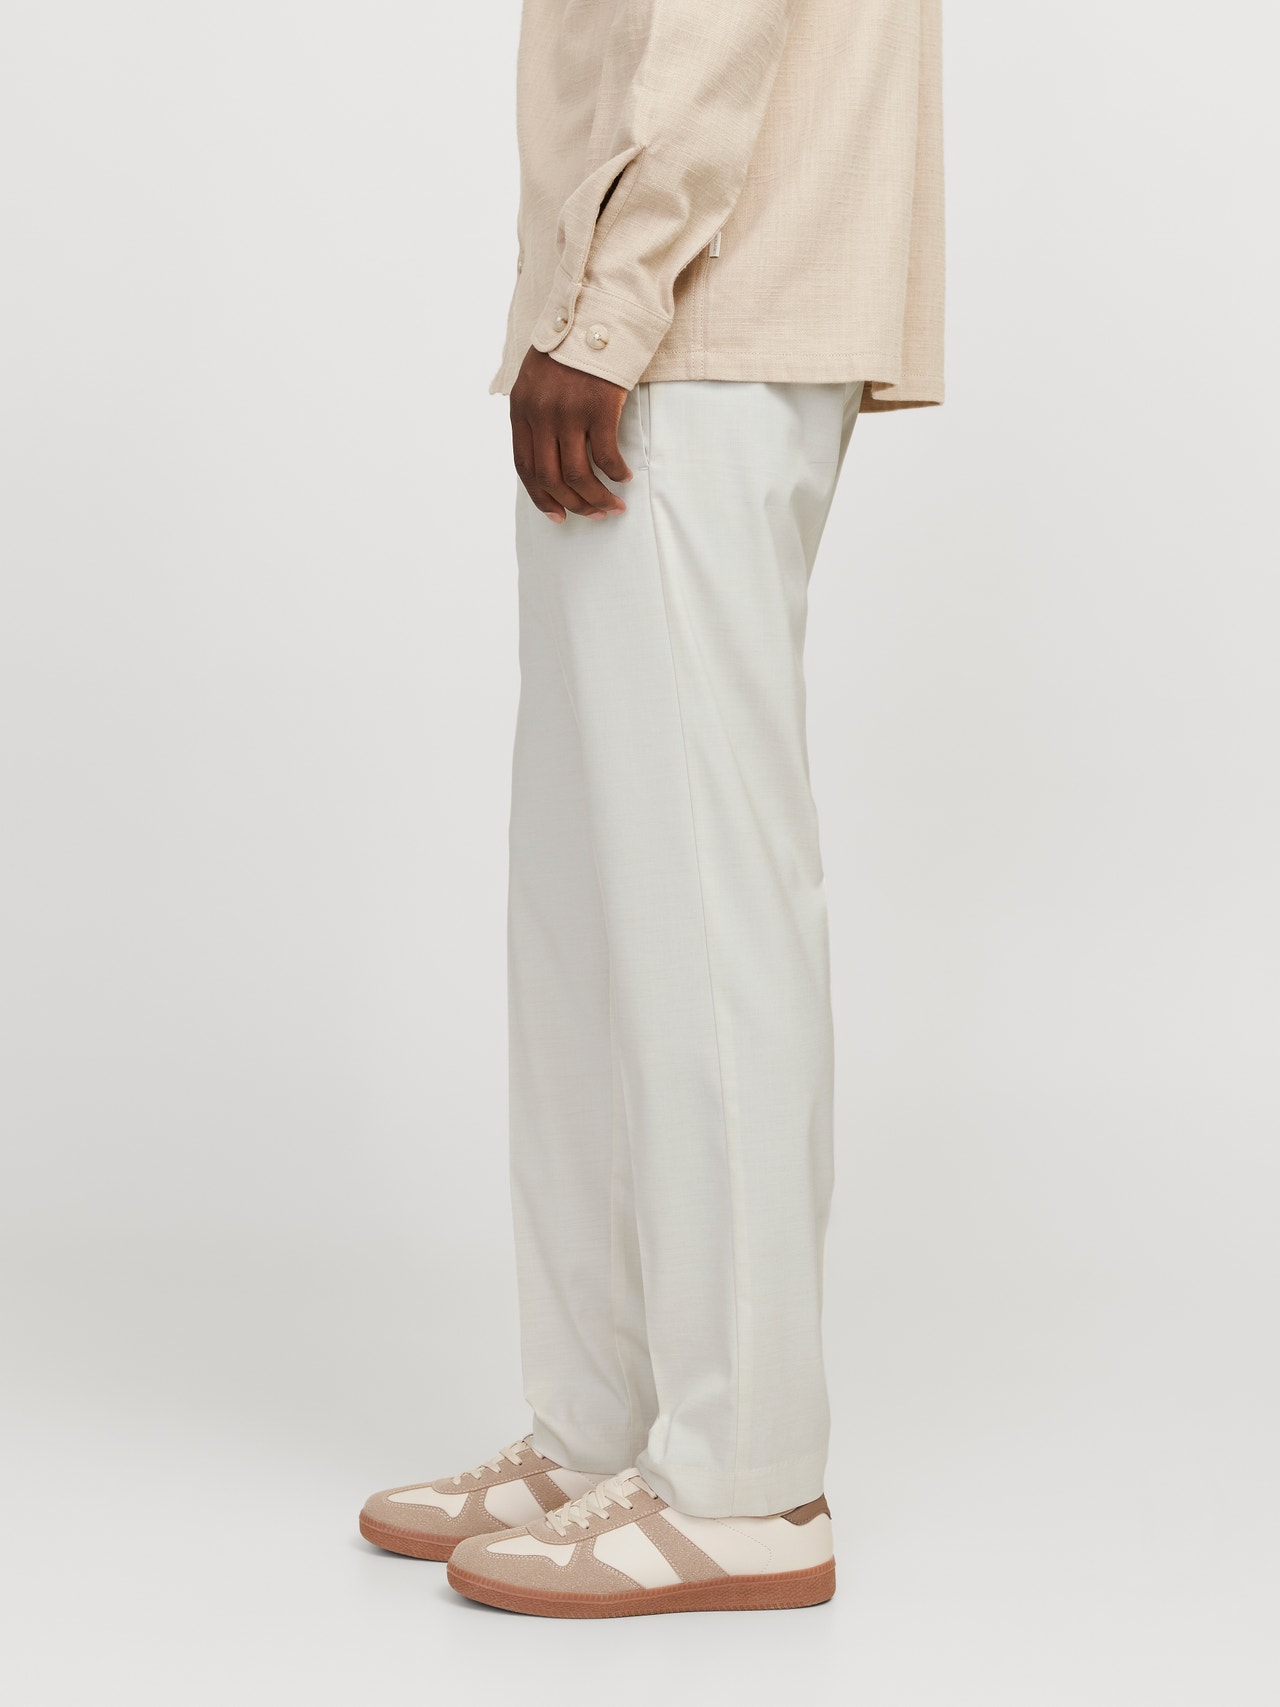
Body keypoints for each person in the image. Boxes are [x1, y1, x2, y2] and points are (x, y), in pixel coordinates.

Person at [361, 0, 944, 1618]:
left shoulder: (651, 310)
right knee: (592, 911)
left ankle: (745, 1481)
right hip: (671, 309)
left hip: (697, 310)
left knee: (699, 907)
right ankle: (603, 1431)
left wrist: (605, 309)